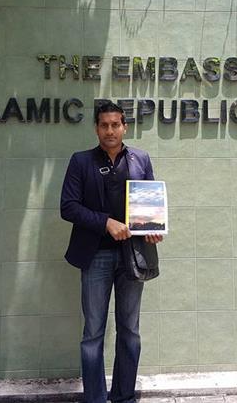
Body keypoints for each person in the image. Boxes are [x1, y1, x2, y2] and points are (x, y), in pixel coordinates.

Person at [60, 101, 163, 403]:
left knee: (130, 330)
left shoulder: (140, 159)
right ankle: (95, 398)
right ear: (96, 128)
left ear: (124, 126)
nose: (110, 130)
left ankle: (124, 396)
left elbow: (149, 206)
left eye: (115, 124)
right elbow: (68, 207)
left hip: (134, 256)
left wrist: (152, 228)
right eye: (104, 125)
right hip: (96, 257)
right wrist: (106, 223)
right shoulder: (81, 162)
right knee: (93, 333)